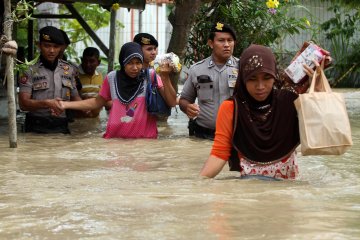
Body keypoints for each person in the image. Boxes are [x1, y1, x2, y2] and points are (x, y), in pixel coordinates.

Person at [200, 44, 326, 180]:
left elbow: (320, 128)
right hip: (249, 192)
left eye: (267, 78)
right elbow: (219, 153)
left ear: (275, 75)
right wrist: (198, 183)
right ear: (242, 78)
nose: (260, 86)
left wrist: (318, 86)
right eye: (252, 79)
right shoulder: (231, 108)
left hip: (288, 191)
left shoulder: (290, 101)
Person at [59, 42, 177, 138]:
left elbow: (171, 102)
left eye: (138, 63)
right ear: (122, 62)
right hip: (115, 139)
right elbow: (96, 102)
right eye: (130, 63)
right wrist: (66, 105)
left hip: (145, 140)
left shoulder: (150, 76)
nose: (135, 67)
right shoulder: (112, 77)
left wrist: (165, 77)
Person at [179, 22, 239, 140]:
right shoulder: (197, 69)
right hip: (203, 135)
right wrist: (187, 107)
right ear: (211, 43)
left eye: (230, 40)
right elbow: (184, 100)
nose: (226, 44)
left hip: (236, 135)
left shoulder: (242, 68)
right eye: (221, 40)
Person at [18, 26, 82, 134]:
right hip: (36, 126)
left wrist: (94, 105)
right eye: (47, 46)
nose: (51, 51)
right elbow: (23, 104)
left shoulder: (69, 70)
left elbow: (76, 99)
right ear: (39, 45)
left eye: (55, 46)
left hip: (61, 125)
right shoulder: (29, 70)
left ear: (61, 48)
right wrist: (47, 103)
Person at [133, 33, 177, 118]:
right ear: (137, 50)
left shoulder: (153, 74)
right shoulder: (128, 73)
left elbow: (172, 102)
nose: (154, 52)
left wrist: (165, 77)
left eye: (155, 49)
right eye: (149, 49)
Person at [76, 47, 109, 118]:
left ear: (98, 62)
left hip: (95, 119)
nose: (88, 64)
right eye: (85, 61)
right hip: (78, 119)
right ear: (81, 60)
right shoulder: (75, 75)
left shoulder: (100, 77)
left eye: (91, 61)